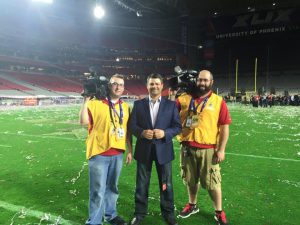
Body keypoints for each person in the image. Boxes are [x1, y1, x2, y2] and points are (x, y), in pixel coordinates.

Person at [176, 70, 231, 225]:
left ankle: (219, 212)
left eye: (206, 80)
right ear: (196, 81)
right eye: (200, 80)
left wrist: (221, 149)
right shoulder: (183, 99)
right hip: (187, 147)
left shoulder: (218, 101)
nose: (202, 83)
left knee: (213, 182)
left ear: (211, 82)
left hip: (209, 149)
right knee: (190, 179)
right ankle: (192, 205)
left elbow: (225, 127)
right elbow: (169, 115)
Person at [129, 73, 182, 225]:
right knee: (141, 184)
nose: (154, 86)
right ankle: (139, 213)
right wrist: (141, 132)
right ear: (147, 86)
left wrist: (165, 133)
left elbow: (178, 127)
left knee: (166, 184)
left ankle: (168, 213)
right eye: (151, 84)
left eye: (157, 84)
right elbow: (132, 126)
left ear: (162, 86)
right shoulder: (138, 104)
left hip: (163, 151)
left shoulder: (171, 105)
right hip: (144, 150)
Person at [79, 74, 132, 225]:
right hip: (99, 154)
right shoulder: (95, 103)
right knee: (97, 191)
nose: (118, 87)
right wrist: (86, 98)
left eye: (121, 85)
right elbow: (83, 121)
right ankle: (94, 221)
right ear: (109, 85)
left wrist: (130, 150)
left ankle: (111, 215)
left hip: (118, 154)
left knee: (112, 188)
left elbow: (127, 130)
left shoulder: (125, 107)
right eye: (115, 84)